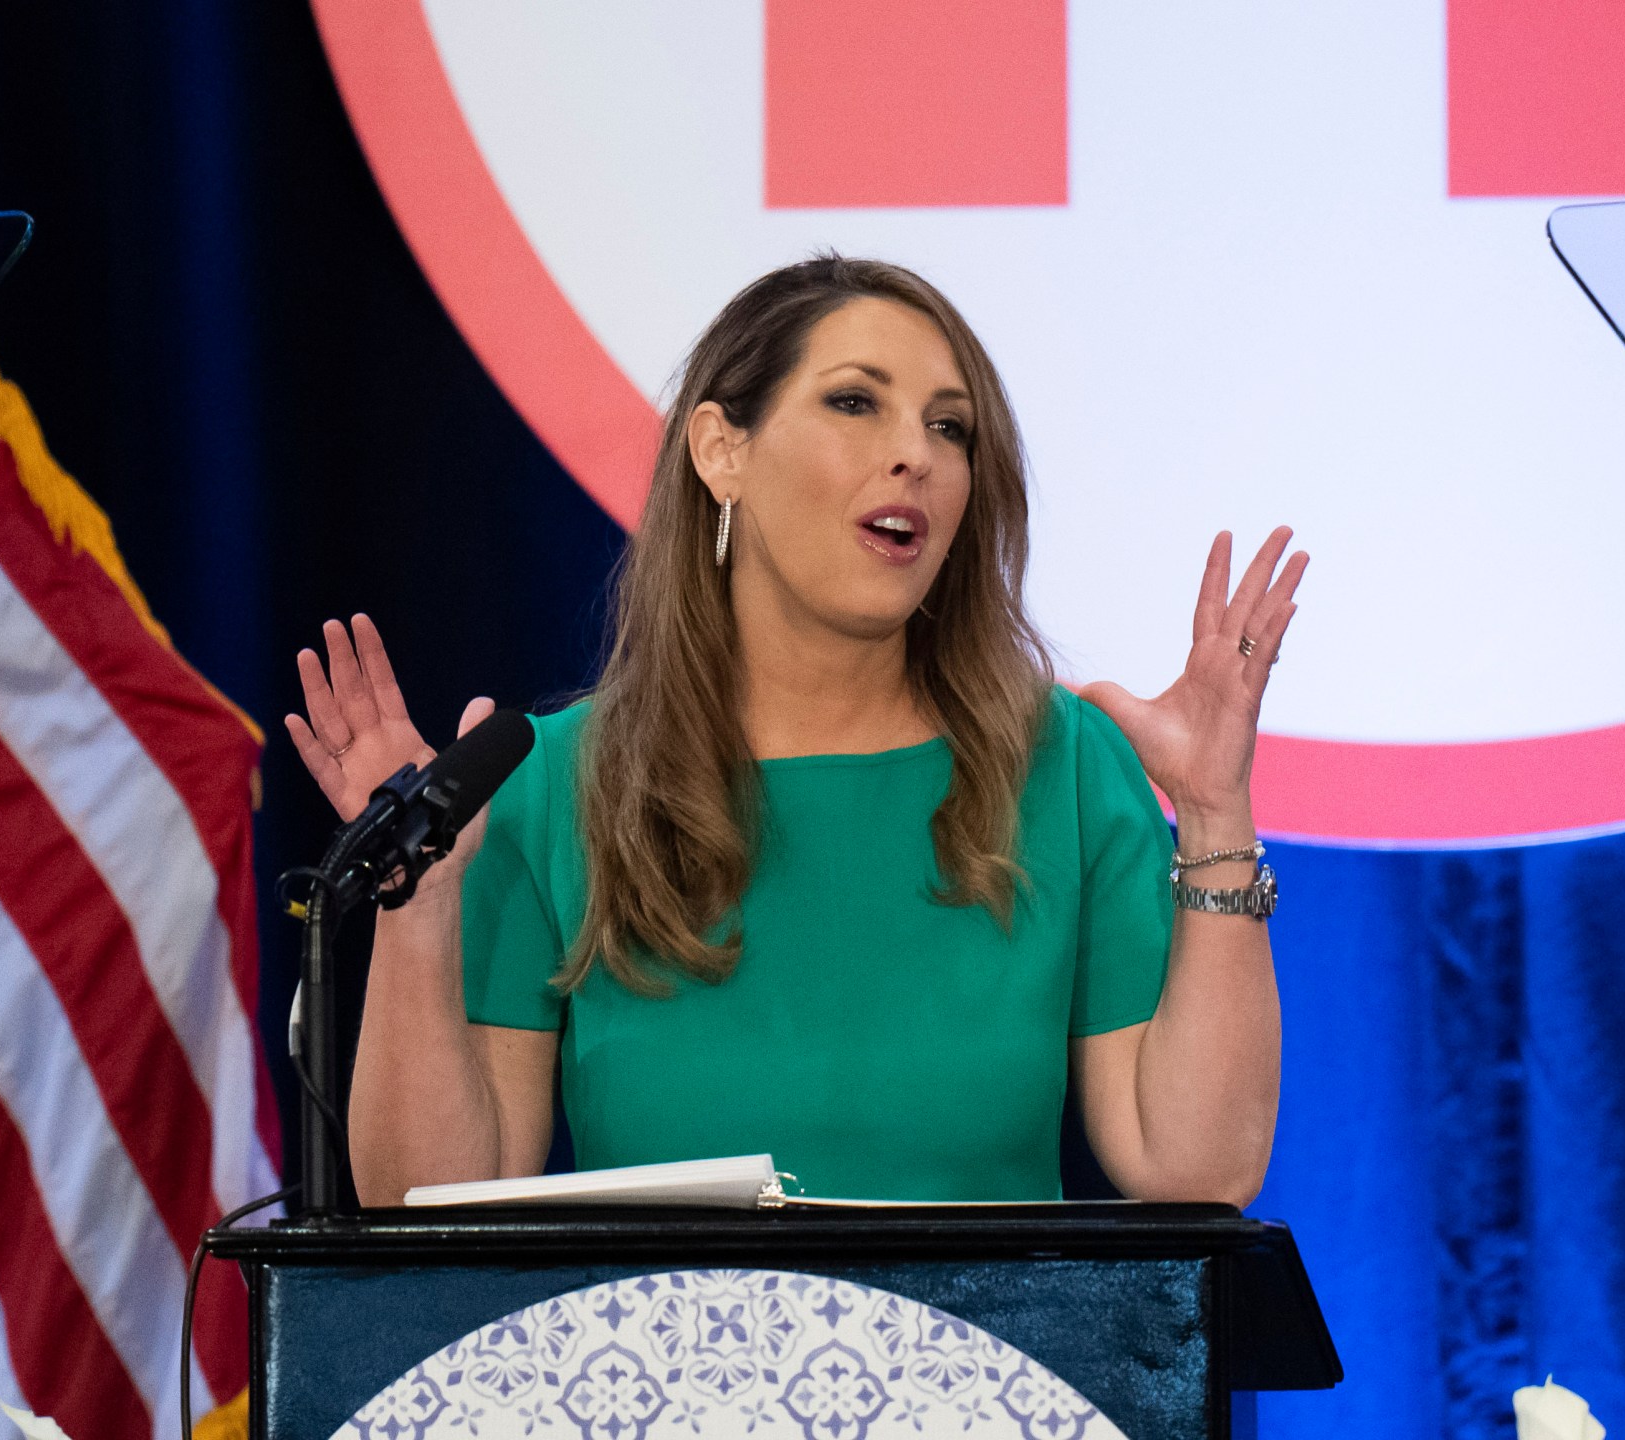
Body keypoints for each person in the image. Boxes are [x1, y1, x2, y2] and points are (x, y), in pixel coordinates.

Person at [287, 257, 1304, 1206]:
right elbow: (433, 1203)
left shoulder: (1066, 769)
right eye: (855, 402)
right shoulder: (555, 787)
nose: (915, 453)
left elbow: (1197, 1168)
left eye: (949, 428)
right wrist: (416, 909)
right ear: (721, 451)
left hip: (995, 1388)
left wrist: (1215, 807)